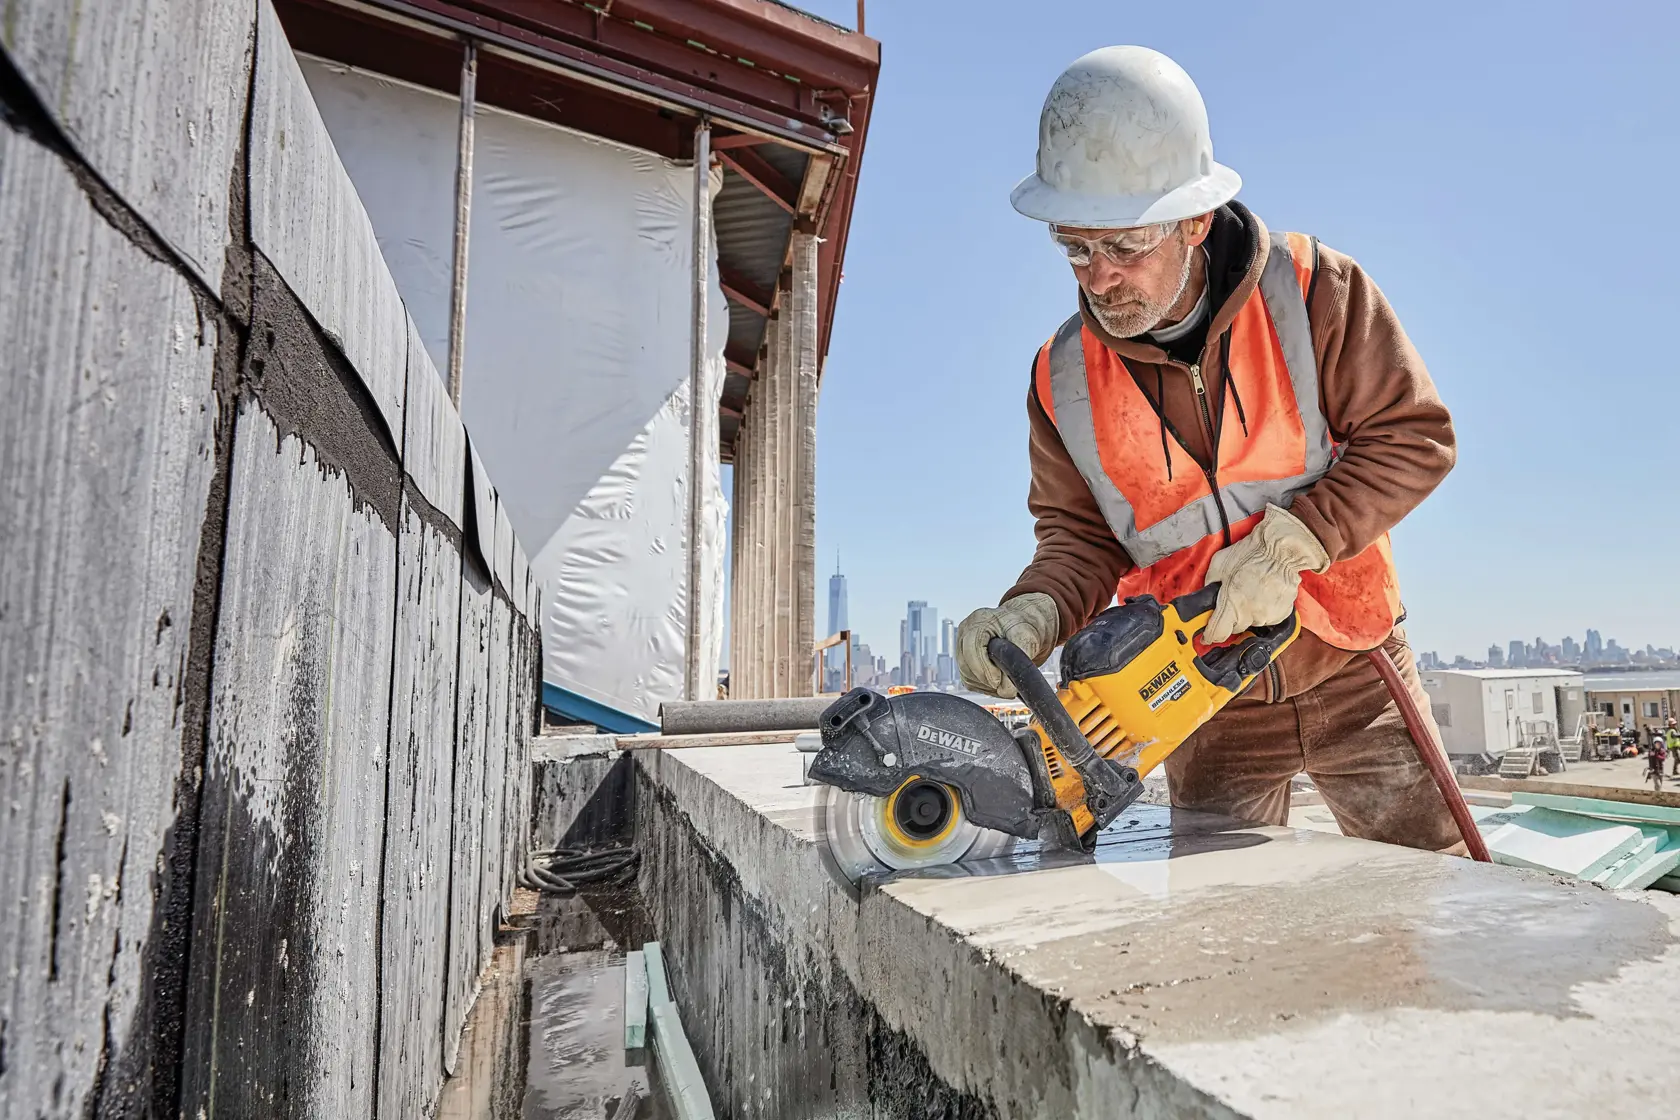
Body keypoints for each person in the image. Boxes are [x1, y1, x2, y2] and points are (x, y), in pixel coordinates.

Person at [955, 47, 1463, 853]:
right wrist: (1038, 609)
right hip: (1195, 696)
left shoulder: (1314, 290)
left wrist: (1297, 543)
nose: (1098, 278)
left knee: (1443, 895)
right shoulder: (1062, 381)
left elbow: (1416, 435)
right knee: (1222, 939)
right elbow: (1082, 541)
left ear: (1193, 221)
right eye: (1075, 248)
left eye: (1124, 248)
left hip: (1355, 669)